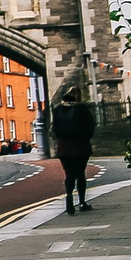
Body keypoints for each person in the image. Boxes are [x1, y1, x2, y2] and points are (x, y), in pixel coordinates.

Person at [51, 80, 94, 214]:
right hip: (80, 146)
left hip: (64, 148)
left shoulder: (58, 109)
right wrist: (85, 138)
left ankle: (69, 198)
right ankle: (82, 202)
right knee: (80, 173)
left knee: (69, 174)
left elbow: (55, 128)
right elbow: (90, 126)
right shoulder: (82, 108)